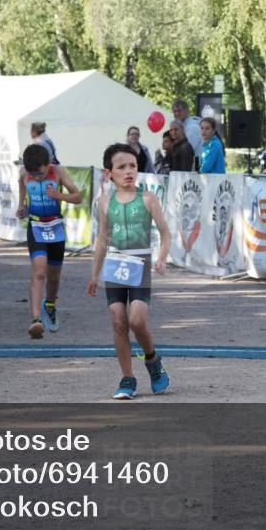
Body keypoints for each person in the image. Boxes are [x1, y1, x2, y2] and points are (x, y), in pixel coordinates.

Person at [87, 143, 172, 399]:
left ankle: (153, 359)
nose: (128, 171)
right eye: (121, 167)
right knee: (118, 320)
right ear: (108, 172)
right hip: (114, 265)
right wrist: (94, 274)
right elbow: (102, 239)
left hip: (140, 264)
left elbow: (165, 233)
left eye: (133, 166)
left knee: (136, 320)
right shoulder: (104, 202)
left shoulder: (148, 198)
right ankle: (127, 378)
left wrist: (161, 258)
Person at [16, 144, 84, 338]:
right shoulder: (23, 173)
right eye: (33, 175)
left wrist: (59, 195)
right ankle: (36, 319)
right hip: (36, 226)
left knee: (53, 277)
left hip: (55, 227)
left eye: (40, 173)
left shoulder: (58, 172)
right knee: (39, 271)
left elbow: (78, 196)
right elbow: (22, 195)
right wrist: (21, 208)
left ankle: (50, 305)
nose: (37, 177)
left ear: (48, 164)